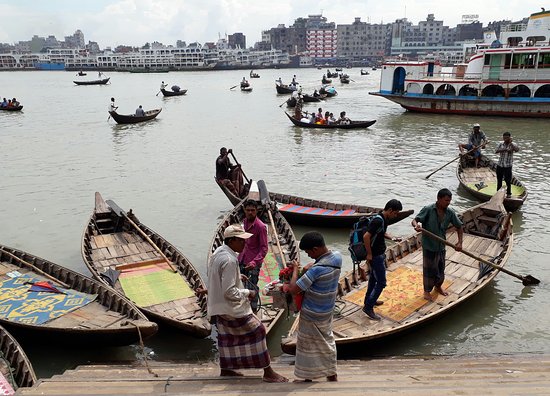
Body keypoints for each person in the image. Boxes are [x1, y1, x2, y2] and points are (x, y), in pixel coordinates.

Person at [207, 224, 287, 383]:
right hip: (230, 307)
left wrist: (238, 276)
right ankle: (268, 372)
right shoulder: (230, 260)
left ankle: (227, 369)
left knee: (226, 336)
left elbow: (220, 276)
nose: (245, 244)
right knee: (258, 330)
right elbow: (229, 292)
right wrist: (247, 293)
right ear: (232, 240)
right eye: (242, 240)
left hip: (217, 305)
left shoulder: (218, 253)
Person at [287, 231, 341, 382]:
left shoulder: (317, 269)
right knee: (327, 341)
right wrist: (312, 266)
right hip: (327, 309)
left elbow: (293, 289)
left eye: (309, 252)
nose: (309, 256)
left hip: (312, 313)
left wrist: (296, 269)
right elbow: (320, 263)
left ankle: (307, 376)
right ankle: (331, 373)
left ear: (316, 249)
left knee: (307, 346)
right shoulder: (337, 257)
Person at [411, 188, 463, 301]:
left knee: (440, 269)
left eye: (449, 201)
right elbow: (415, 220)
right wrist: (416, 226)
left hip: (441, 246)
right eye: (446, 200)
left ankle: (438, 286)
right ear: (438, 199)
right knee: (429, 270)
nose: (448, 203)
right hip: (429, 246)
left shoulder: (450, 212)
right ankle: (427, 291)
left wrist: (459, 242)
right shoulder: (428, 209)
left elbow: (459, 226)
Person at [362, 199, 403, 320]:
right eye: (395, 213)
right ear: (390, 210)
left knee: (373, 279)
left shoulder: (383, 219)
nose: (395, 215)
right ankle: (368, 307)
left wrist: (393, 238)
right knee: (381, 282)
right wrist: (369, 254)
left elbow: (381, 233)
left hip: (379, 253)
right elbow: (366, 237)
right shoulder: (378, 220)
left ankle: (368, 300)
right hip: (375, 256)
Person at [238, 199, 268, 313]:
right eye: (248, 210)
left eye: (252, 210)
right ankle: (242, 308)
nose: (250, 212)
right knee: (240, 284)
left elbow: (264, 248)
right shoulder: (244, 222)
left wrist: (254, 262)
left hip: (253, 262)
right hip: (242, 258)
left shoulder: (260, 227)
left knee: (252, 286)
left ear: (257, 211)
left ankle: (253, 309)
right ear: (244, 210)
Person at [495, 132, 520, 197]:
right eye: (504, 138)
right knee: (499, 180)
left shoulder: (512, 144)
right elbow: (496, 151)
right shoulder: (501, 144)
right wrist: (504, 149)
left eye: (507, 138)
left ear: (509, 137)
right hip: (500, 165)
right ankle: (498, 193)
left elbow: (517, 149)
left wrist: (511, 143)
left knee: (508, 181)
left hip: (508, 166)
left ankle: (508, 194)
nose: (505, 139)